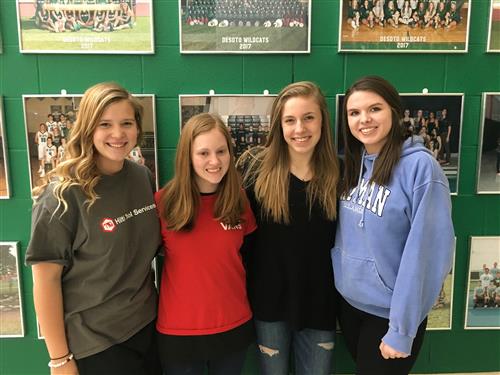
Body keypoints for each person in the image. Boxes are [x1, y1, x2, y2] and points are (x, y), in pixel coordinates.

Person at [25, 82, 162, 375]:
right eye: (105, 124)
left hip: (148, 328)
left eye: (127, 123)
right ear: (88, 129)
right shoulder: (62, 196)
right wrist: (59, 359)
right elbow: (45, 281)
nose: (118, 134)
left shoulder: (141, 177)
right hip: (96, 345)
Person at [332, 76, 454, 375]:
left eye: (375, 109)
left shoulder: (421, 168)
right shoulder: (354, 163)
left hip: (388, 316)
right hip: (350, 307)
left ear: (394, 111)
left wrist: (401, 330)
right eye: (354, 112)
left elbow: (426, 255)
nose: (364, 119)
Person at [237, 81, 340, 375]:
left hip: (320, 305)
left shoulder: (341, 174)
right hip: (268, 304)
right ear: (278, 125)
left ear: (322, 120)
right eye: (290, 120)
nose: (300, 129)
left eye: (309, 117)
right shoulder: (255, 169)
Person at [155, 113, 257, 375]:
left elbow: (251, 261)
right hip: (179, 334)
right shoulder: (163, 203)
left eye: (221, 151)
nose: (215, 161)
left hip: (233, 328)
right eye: (203, 153)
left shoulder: (241, 201)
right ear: (187, 156)